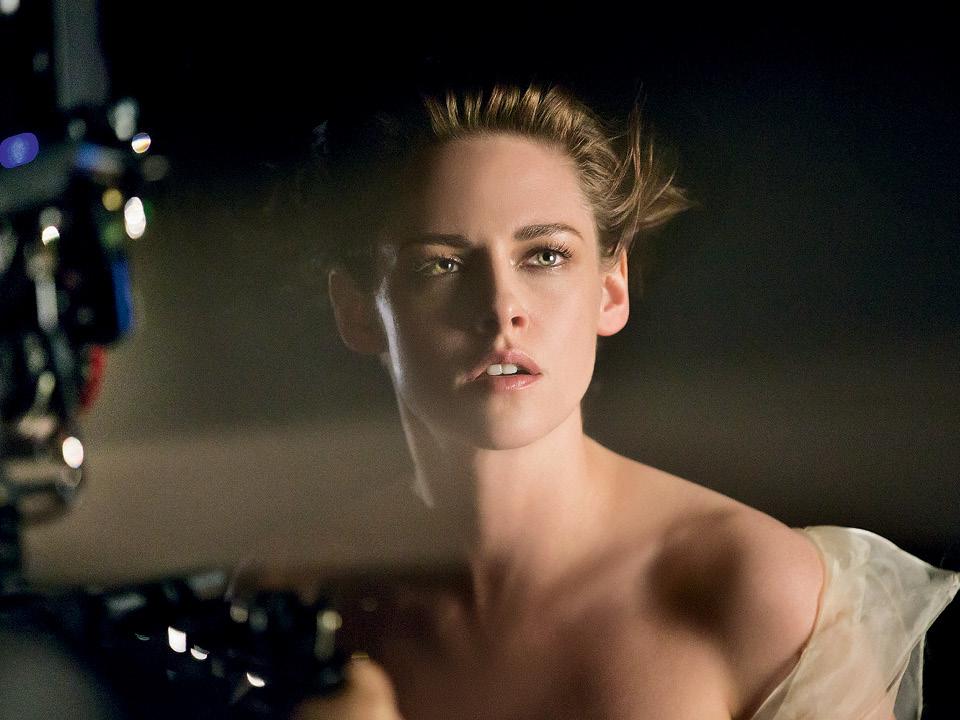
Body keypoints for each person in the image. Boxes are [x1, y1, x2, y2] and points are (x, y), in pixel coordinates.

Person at [246, 80, 959, 720]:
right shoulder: (297, 602)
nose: (500, 308)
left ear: (611, 290)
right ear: (358, 312)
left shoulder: (755, 595)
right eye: (442, 264)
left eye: (545, 255)